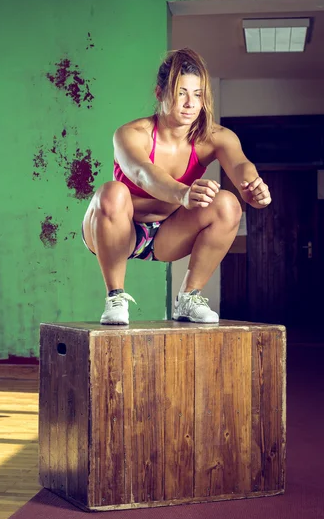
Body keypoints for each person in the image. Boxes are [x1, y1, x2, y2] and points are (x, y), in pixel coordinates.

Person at [82, 48, 272, 325]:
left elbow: (241, 164)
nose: (190, 103)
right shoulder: (131, 134)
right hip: (115, 230)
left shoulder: (216, 137)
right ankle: (115, 297)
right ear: (160, 94)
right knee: (112, 192)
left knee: (228, 204)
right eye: (181, 92)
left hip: (167, 236)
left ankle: (188, 298)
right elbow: (142, 174)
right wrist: (182, 193)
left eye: (197, 94)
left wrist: (253, 186)